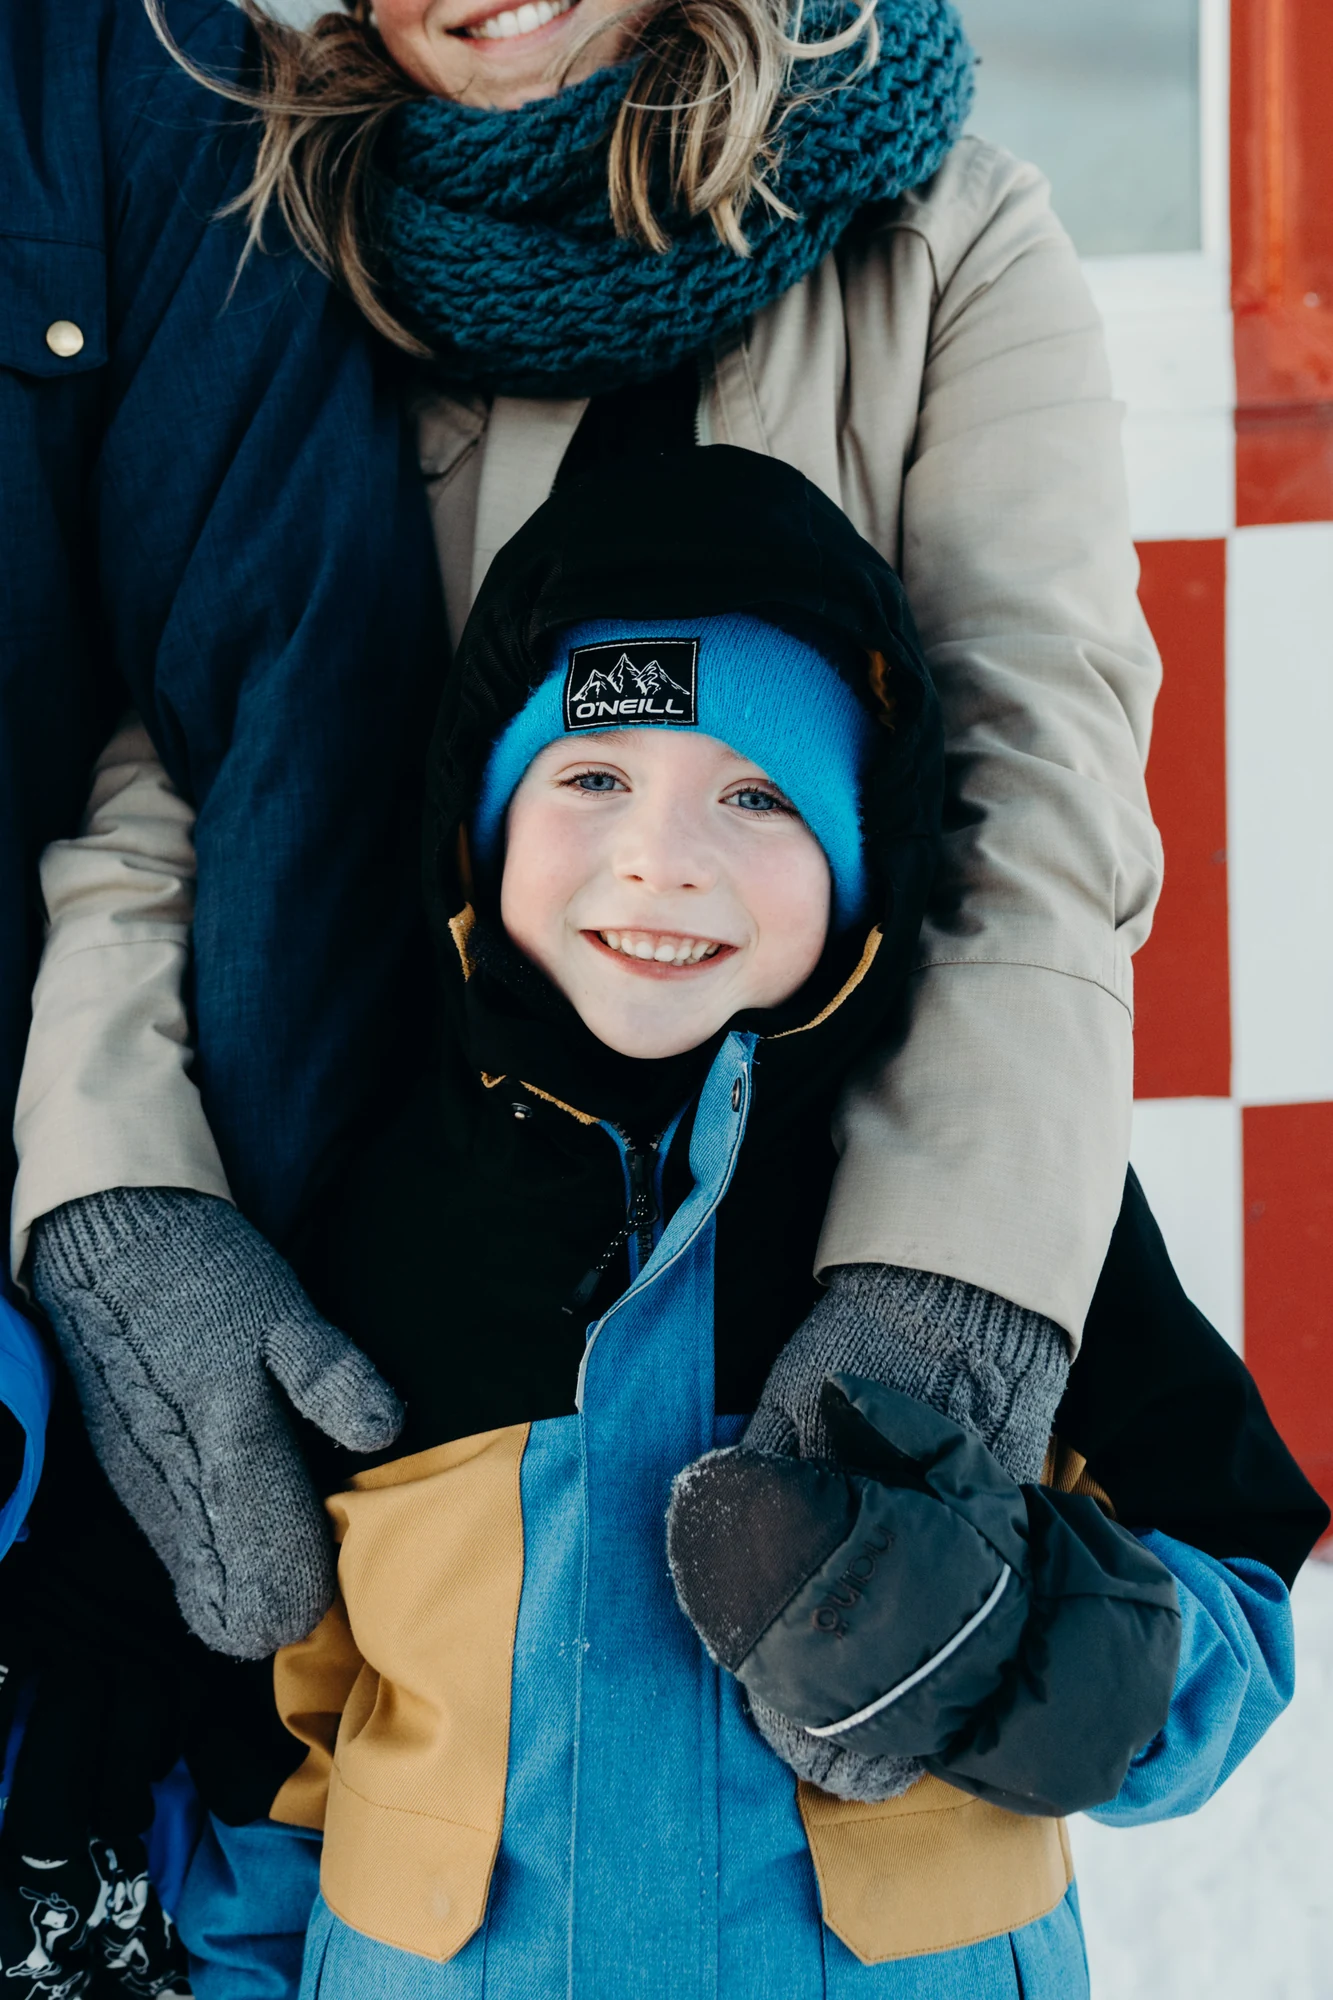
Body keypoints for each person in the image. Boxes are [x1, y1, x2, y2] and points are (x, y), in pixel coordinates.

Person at [4, 0, 1167, 1676]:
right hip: (413, 1292)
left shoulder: (945, 237)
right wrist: (122, 1185)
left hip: (814, 1210)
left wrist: (943, 1279)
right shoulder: (299, 223)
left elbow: (1038, 782)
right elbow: (188, 746)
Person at [91, 449, 1303, 2000]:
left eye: (758, 796)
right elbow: (278, 1722)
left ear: (862, 869)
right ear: (482, 827)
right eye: (593, 778)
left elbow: (1236, 1587)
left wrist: (1013, 1643)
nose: (662, 855)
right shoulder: (376, 1198)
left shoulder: (980, 1215)